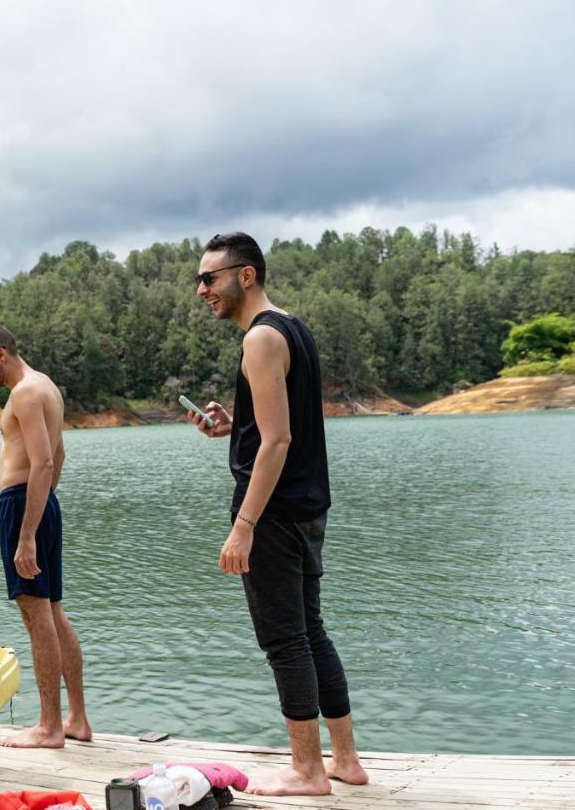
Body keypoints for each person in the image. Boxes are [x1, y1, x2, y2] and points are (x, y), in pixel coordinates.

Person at [187, 232, 369, 797]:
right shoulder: (292, 327)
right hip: (307, 506)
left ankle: (308, 771)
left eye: (210, 278)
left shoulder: (260, 339)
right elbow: (269, 431)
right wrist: (231, 427)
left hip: (273, 515)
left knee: (283, 641)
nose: (201, 290)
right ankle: (345, 761)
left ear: (245, 275)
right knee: (310, 631)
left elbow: (279, 441)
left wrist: (243, 525)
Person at [0, 323, 92, 749]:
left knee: (36, 616)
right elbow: (59, 454)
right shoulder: (47, 387)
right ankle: (76, 718)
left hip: (23, 504)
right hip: (41, 505)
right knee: (54, 611)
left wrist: (26, 533)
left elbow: (42, 464)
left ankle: (49, 726)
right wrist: (45, 512)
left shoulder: (24, 392)